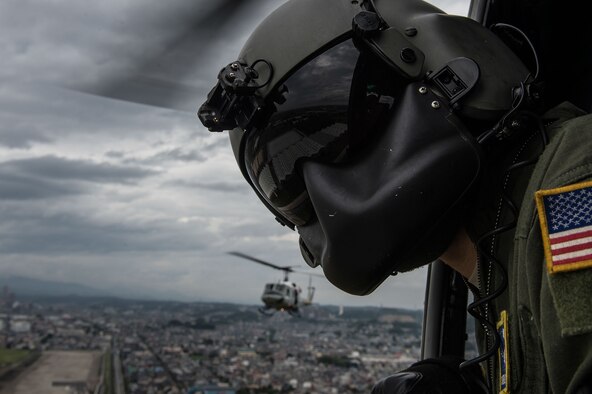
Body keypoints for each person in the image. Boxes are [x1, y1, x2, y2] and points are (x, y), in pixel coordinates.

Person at [198, 0, 592, 392]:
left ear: (444, 62)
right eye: (283, 178)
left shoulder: (575, 181)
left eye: (330, 135)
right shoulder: (500, 270)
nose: (323, 190)